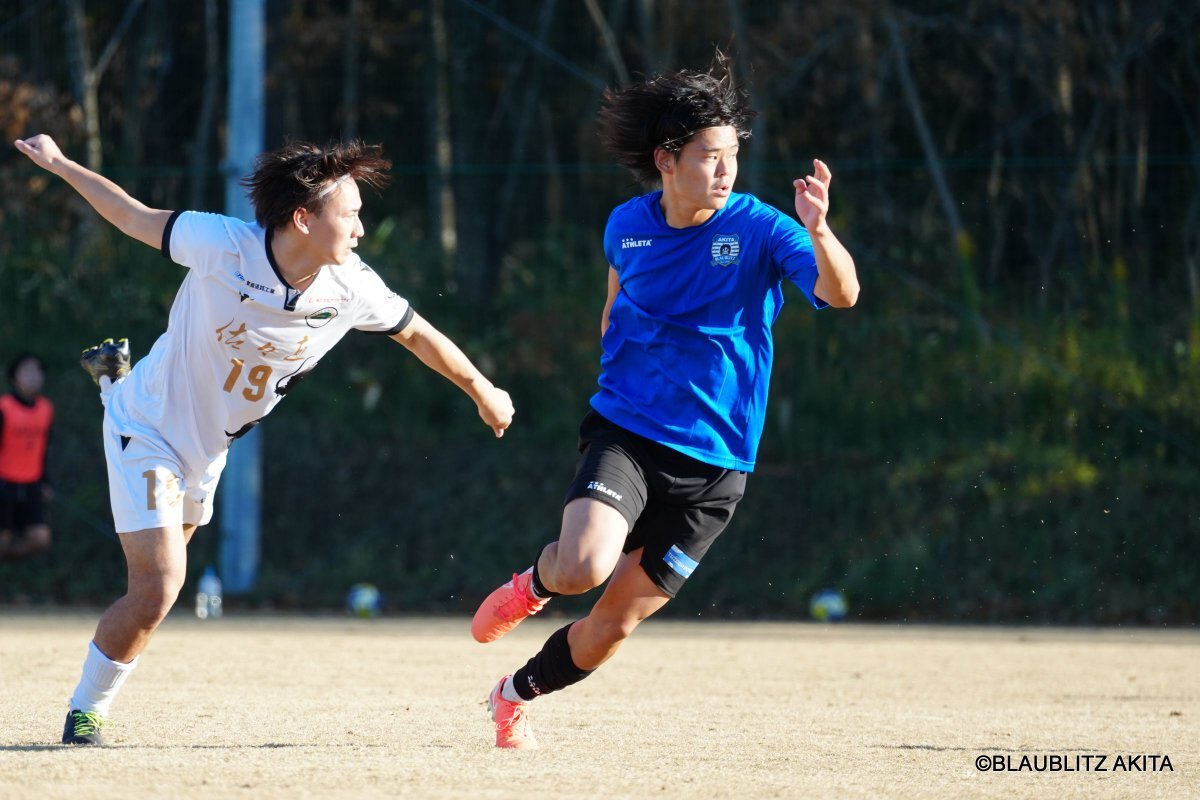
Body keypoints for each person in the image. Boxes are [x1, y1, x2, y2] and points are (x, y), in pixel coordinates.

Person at [13, 133, 515, 746]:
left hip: (207, 452)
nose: (361, 229)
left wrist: (482, 389)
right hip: (147, 430)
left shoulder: (351, 286)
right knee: (158, 589)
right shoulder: (222, 244)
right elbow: (131, 215)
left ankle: (113, 382)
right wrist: (61, 164)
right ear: (304, 218)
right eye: (351, 214)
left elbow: (416, 333)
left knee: (160, 591)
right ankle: (86, 711)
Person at [470, 55, 859, 749]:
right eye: (710, 155)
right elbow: (616, 302)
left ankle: (512, 695)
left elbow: (842, 294)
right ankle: (534, 585)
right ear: (667, 160)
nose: (726, 170)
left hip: (717, 466)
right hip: (629, 434)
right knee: (582, 567)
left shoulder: (766, 229)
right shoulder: (626, 225)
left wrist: (820, 229)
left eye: (732, 155)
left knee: (613, 624)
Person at [0, 353, 54, 563]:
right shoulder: (4, 407)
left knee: (40, 539)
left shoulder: (46, 409)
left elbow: (44, 448)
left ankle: (6, 561)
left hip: (31, 483)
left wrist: (45, 481)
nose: (33, 376)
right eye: (27, 371)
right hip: (4, 483)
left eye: (37, 371)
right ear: (14, 377)